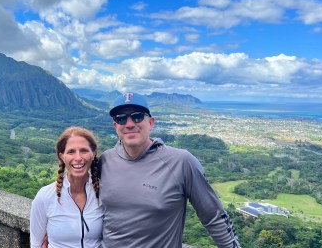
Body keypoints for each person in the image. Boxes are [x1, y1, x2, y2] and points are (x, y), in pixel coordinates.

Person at [99, 92, 241, 248]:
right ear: (115, 126)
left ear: (151, 123)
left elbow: (214, 216)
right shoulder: (105, 160)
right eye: (121, 118)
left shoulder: (181, 162)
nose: (129, 124)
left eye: (137, 116)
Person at [30, 126, 103, 248]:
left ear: (93, 154)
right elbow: (36, 243)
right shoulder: (45, 196)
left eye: (84, 150)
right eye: (71, 152)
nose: (78, 158)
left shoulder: (104, 193)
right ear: (62, 156)